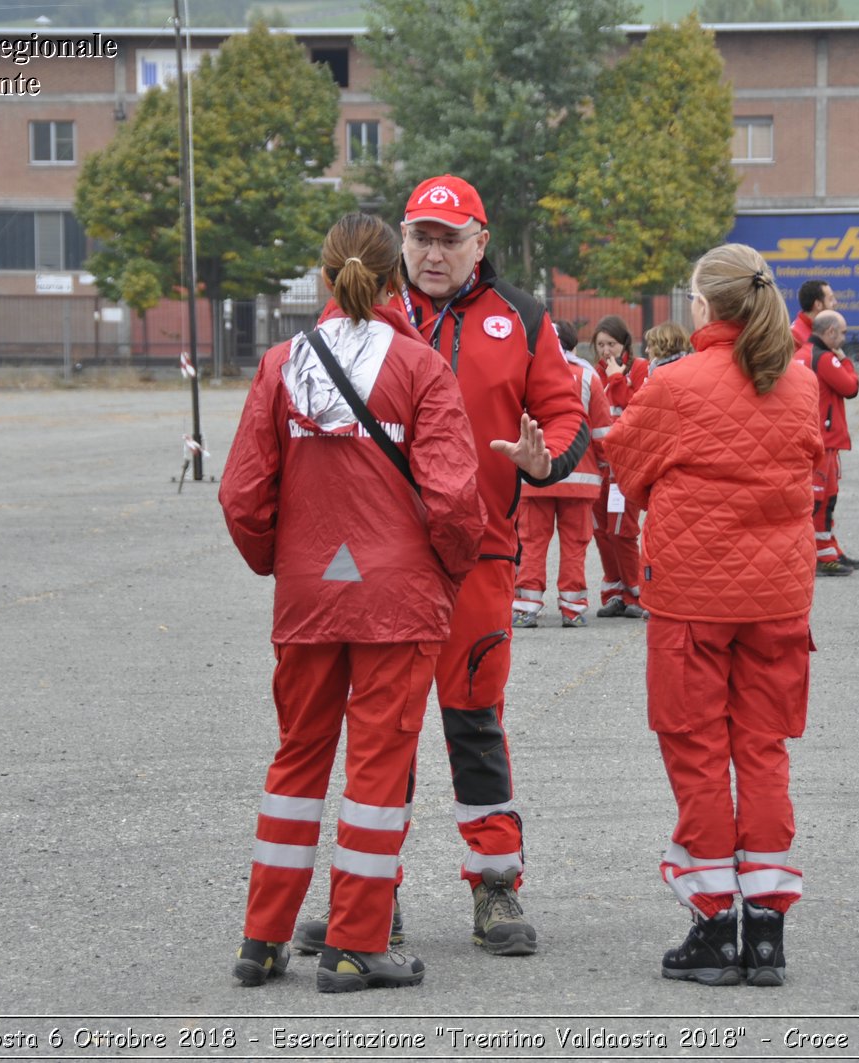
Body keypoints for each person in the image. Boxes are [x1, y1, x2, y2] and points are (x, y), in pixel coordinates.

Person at [294, 174, 588, 958]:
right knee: (380, 731)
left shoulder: (523, 317)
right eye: (419, 236)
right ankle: (369, 901)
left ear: (479, 244)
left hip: (481, 557)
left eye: (448, 238)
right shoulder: (360, 313)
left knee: (473, 722)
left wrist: (546, 456)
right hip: (382, 561)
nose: (431, 252)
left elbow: (565, 410)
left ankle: (496, 888)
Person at [219, 213, 484, 993]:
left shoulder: (279, 364)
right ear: (396, 274)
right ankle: (355, 944)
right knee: (378, 767)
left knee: (295, 760)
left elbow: (241, 494)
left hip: (307, 597)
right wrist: (448, 570)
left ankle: (263, 937)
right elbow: (455, 495)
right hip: (397, 599)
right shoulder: (421, 366)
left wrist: (284, 562)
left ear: (324, 276)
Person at [604, 244, 822, 988]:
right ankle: (766, 928)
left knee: (696, 748)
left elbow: (626, 469)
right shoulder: (800, 383)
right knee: (764, 748)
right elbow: (812, 465)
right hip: (779, 598)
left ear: (703, 307)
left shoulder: (673, 385)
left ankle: (711, 923)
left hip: (692, 599)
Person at [512, 320, 612, 628]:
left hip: (536, 476)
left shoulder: (526, 372)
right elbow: (602, 432)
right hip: (579, 478)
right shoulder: (588, 378)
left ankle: (526, 605)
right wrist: (606, 466)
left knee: (531, 541)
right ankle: (573, 606)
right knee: (575, 543)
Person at [793, 310, 859, 576]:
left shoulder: (803, 354)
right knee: (822, 500)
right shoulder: (824, 358)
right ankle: (822, 556)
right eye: (843, 332)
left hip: (813, 437)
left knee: (823, 499)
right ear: (830, 332)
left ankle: (830, 549)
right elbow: (851, 388)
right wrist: (845, 361)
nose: (845, 338)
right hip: (824, 440)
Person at [591, 314, 650, 619]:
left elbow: (639, 411)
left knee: (622, 531)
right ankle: (614, 591)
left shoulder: (640, 369)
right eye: (600, 344)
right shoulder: (592, 374)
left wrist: (617, 377)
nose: (605, 351)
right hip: (599, 467)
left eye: (611, 343)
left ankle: (636, 593)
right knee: (601, 531)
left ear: (624, 343)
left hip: (626, 467)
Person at [790, 279, 836, 347]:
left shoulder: (825, 331)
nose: (835, 303)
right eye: (830, 299)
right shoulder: (794, 337)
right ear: (818, 305)